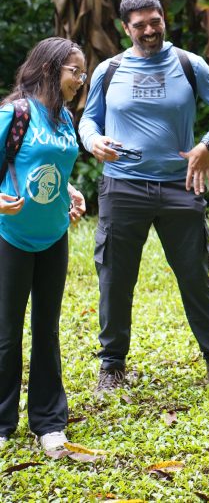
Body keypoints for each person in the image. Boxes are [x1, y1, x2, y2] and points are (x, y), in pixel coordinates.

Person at [78, 0, 209, 393]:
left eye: (156, 21)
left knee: (194, 274)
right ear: (125, 28)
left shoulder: (189, 63)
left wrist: (207, 146)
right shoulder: (109, 70)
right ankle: (112, 365)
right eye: (140, 25)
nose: (150, 30)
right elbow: (87, 120)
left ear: (163, 18)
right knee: (115, 277)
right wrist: (93, 141)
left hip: (179, 185)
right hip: (122, 186)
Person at [0, 38, 86, 455]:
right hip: (9, 237)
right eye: (76, 71)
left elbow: (51, 164)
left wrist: (70, 190)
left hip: (54, 236)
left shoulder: (65, 118)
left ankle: (50, 424)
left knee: (46, 331)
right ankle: (2, 424)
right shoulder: (13, 113)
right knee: (5, 332)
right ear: (51, 69)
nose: (80, 80)